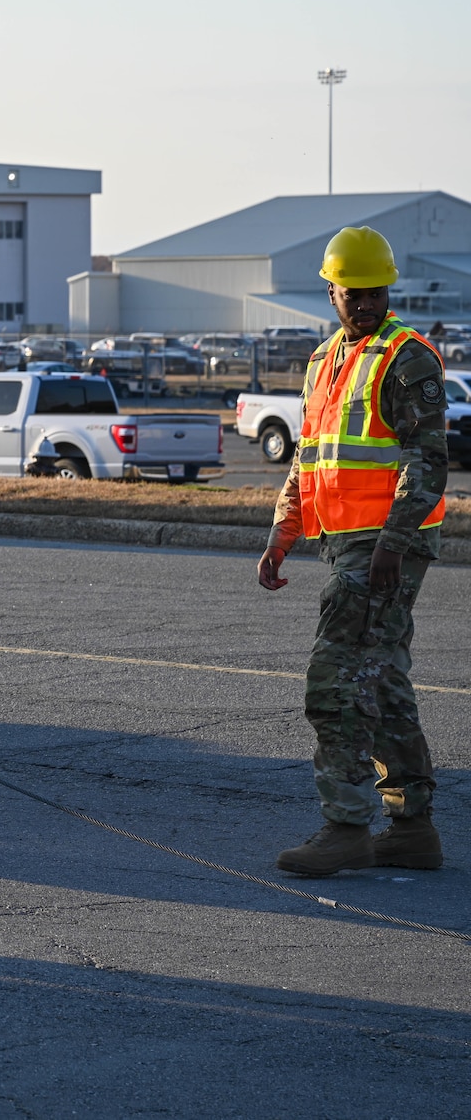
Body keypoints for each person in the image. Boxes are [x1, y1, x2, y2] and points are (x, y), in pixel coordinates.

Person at [259, 225, 447, 876]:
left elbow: (428, 461)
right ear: (332, 291)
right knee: (383, 677)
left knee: (335, 679)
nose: (366, 304)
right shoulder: (323, 361)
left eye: (377, 293)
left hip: (386, 545)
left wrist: (394, 543)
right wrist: (281, 536)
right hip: (341, 543)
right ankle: (412, 828)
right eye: (354, 294)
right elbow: (308, 461)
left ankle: (345, 824)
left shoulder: (406, 357)